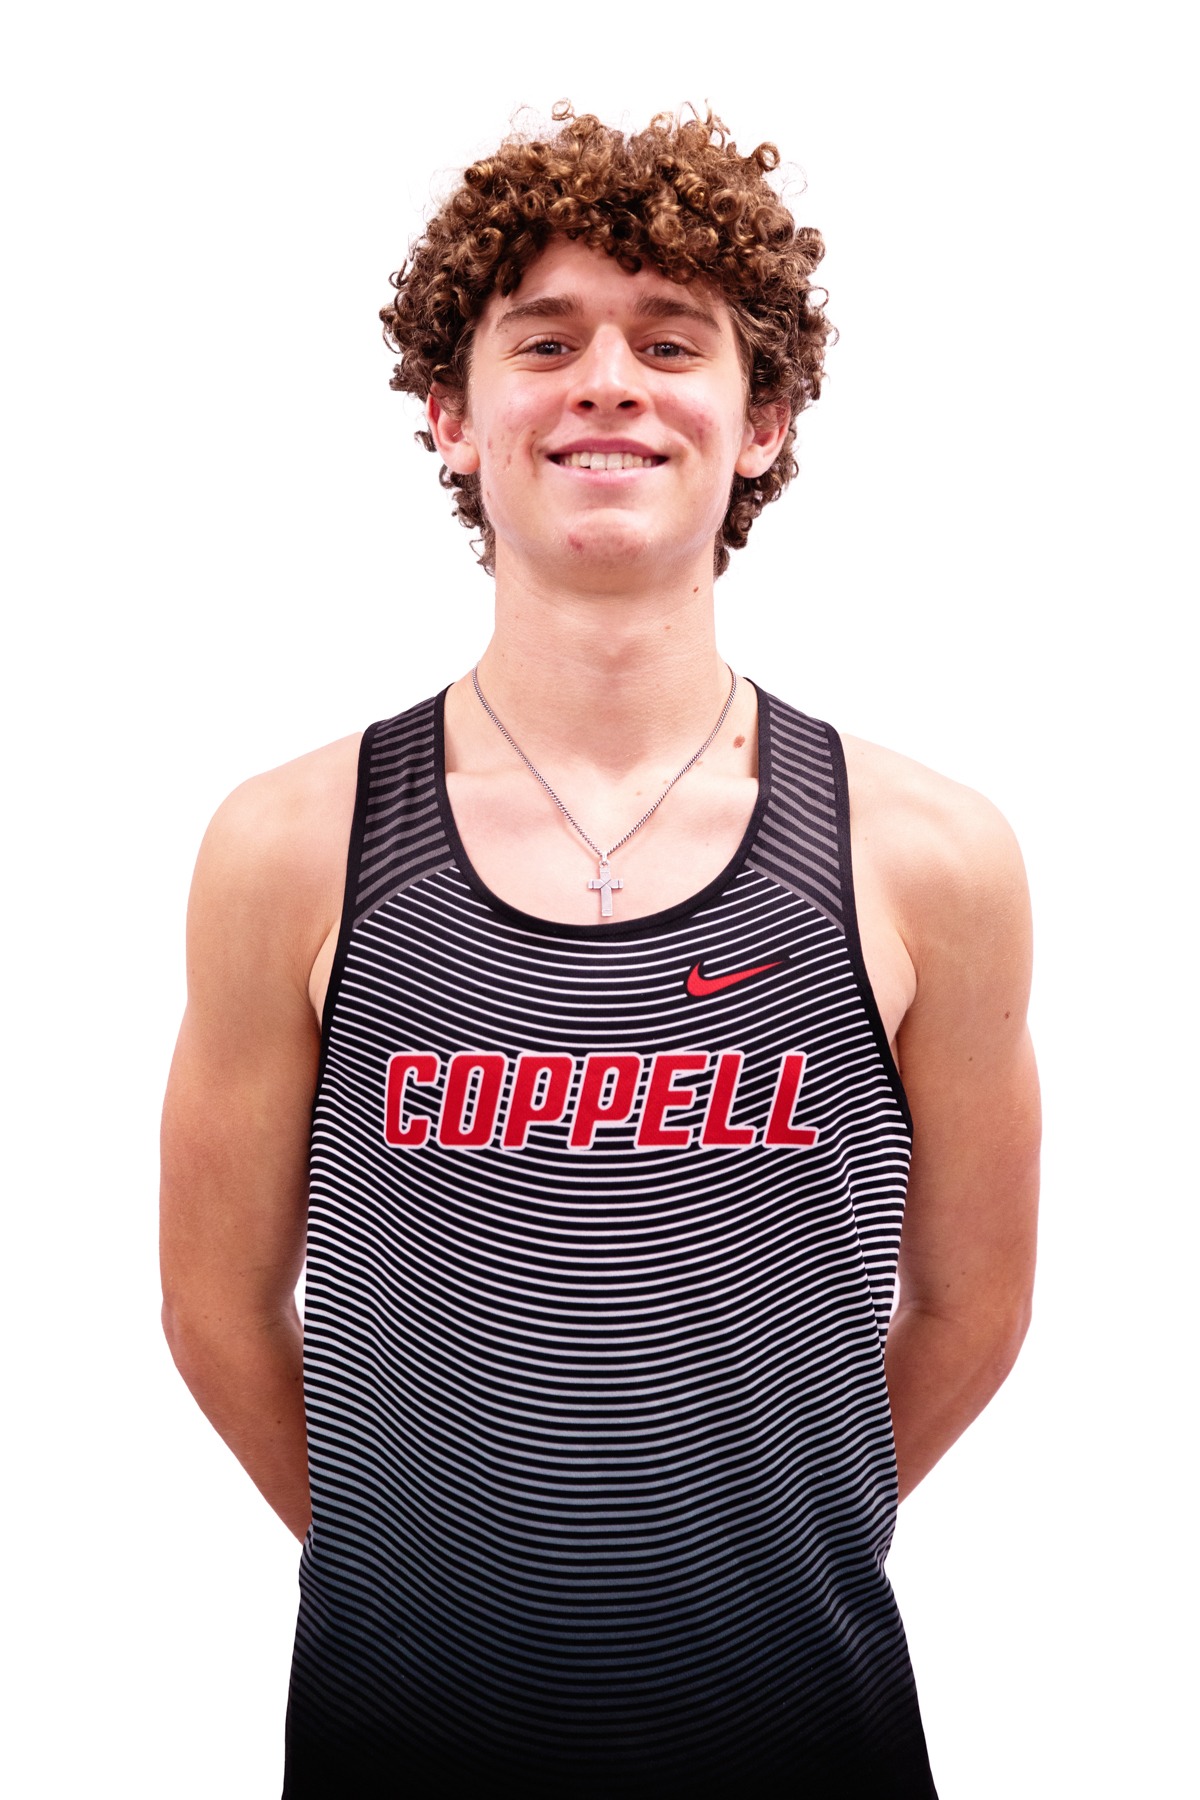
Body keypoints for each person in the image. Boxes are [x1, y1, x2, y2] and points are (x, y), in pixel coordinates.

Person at [160, 105, 1040, 1798]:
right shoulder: (289, 846)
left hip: (802, 1727)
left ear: (764, 422)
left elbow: (972, 1305)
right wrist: (427, 1588)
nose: (609, 385)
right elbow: (215, 1305)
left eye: (672, 342)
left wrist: (746, 1575)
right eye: (546, 341)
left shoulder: (933, 858)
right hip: (401, 1732)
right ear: (450, 414)